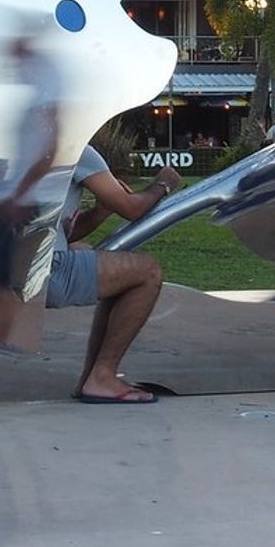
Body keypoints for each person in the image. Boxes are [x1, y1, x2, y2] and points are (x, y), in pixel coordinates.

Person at [48, 145, 181, 404]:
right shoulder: (76, 147)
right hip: (44, 273)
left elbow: (60, 237)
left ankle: (91, 377)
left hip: (4, 267)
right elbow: (132, 208)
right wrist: (163, 183)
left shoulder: (21, 143)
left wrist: (100, 210)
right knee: (147, 272)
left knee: (97, 257)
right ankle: (102, 376)